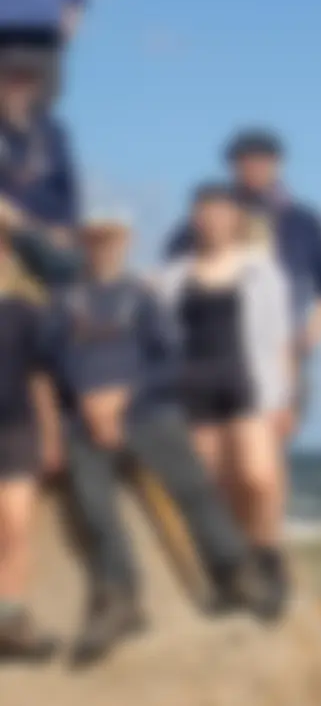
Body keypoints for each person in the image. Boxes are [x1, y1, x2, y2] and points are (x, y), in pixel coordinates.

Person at [50, 214, 274, 666]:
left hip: (147, 412)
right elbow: (52, 360)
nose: (102, 247)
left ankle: (235, 575)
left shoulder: (141, 297)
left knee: (195, 491)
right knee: (94, 508)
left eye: (110, 239)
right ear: (83, 244)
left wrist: (123, 395)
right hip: (84, 423)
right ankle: (120, 599)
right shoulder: (64, 302)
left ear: (123, 243)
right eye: (93, 239)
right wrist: (87, 401)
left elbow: (170, 360)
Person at [152, 183, 295, 618]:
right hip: (194, 394)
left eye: (221, 213)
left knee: (258, 478)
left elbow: (278, 339)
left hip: (247, 389)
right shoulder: (175, 277)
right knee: (210, 489)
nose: (213, 221)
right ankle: (226, 577)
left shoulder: (259, 271)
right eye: (205, 213)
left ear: (234, 220)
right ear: (196, 220)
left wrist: (284, 399)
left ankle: (267, 565)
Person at [166, 129, 321, 441]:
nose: (252, 168)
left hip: (281, 350)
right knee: (209, 448)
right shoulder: (202, 221)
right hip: (210, 355)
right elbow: (172, 279)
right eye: (244, 161)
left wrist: (309, 337)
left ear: (277, 164)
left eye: (261, 161)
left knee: (269, 443)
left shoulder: (303, 222)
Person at [0, 225, 56, 661]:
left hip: (16, 426)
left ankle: (10, 619)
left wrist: (52, 433)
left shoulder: (25, 309)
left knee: (15, 524)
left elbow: (40, 377)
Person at [0, 44, 79, 284]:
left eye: (25, 81)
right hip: (8, 234)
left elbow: (69, 193)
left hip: (44, 242)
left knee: (73, 264)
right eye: (11, 79)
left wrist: (65, 230)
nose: (17, 88)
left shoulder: (52, 133)